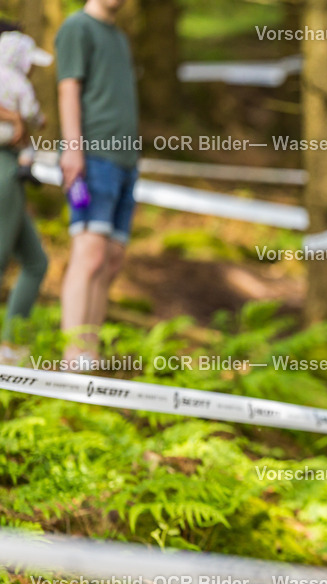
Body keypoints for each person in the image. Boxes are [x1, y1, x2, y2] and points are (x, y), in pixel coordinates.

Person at [55, 0, 138, 368]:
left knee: (111, 259)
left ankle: (90, 354)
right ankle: (73, 358)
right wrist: (73, 149)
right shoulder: (77, 27)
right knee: (88, 254)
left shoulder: (119, 38)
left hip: (125, 162)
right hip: (93, 157)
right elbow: (68, 88)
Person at [0, 31, 52, 364]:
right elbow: (36, 117)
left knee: (36, 262)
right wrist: (22, 117)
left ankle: (11, 345)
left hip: (13, 165)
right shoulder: (17, 83)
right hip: (5, 167)